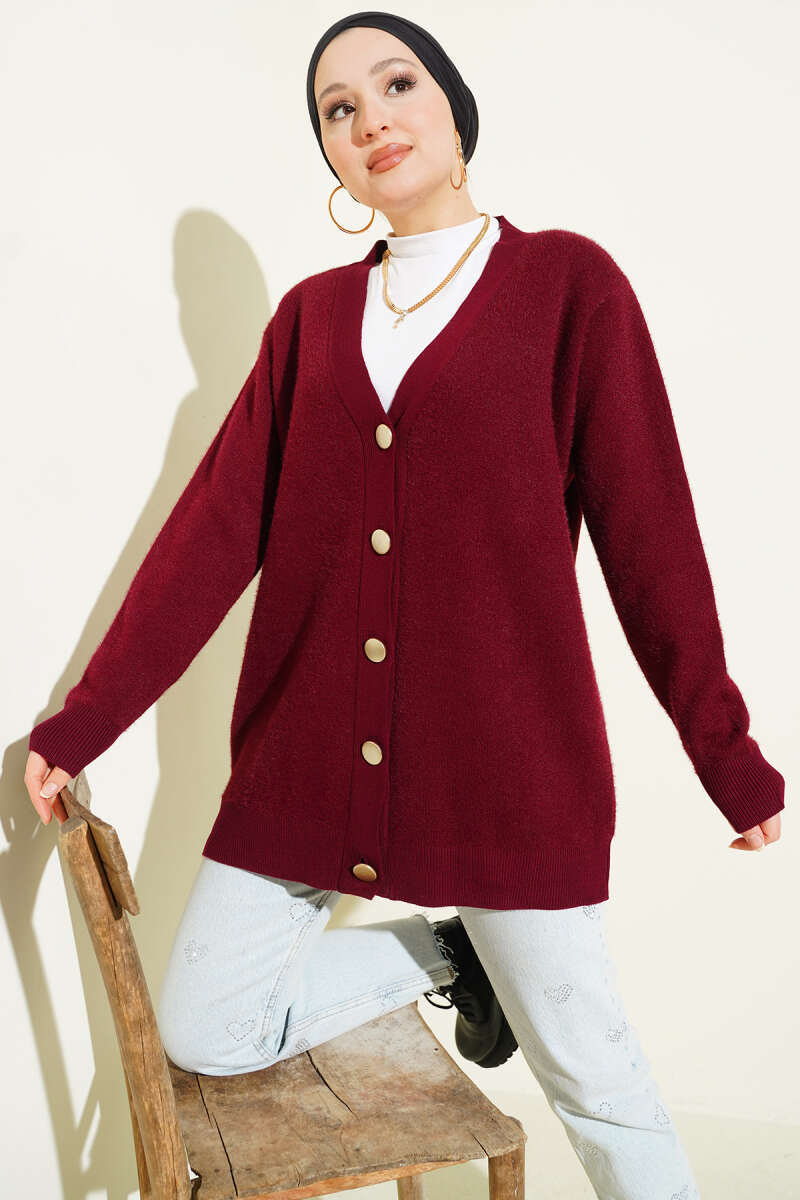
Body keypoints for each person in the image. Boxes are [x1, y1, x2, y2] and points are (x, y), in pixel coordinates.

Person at [25, 13, 784, 1199]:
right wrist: (83, 723)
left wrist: (723, 754)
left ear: (453, 111)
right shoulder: (308, 322)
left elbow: (652, 544)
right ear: (329, 155)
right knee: (208, 1026)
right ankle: (447, 954)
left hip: (507, 770)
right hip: (305, 764)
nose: (370, 118)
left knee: (595, 1082)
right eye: (338, 109)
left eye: (395, 84)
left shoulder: (568, 288)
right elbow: (209, 539)